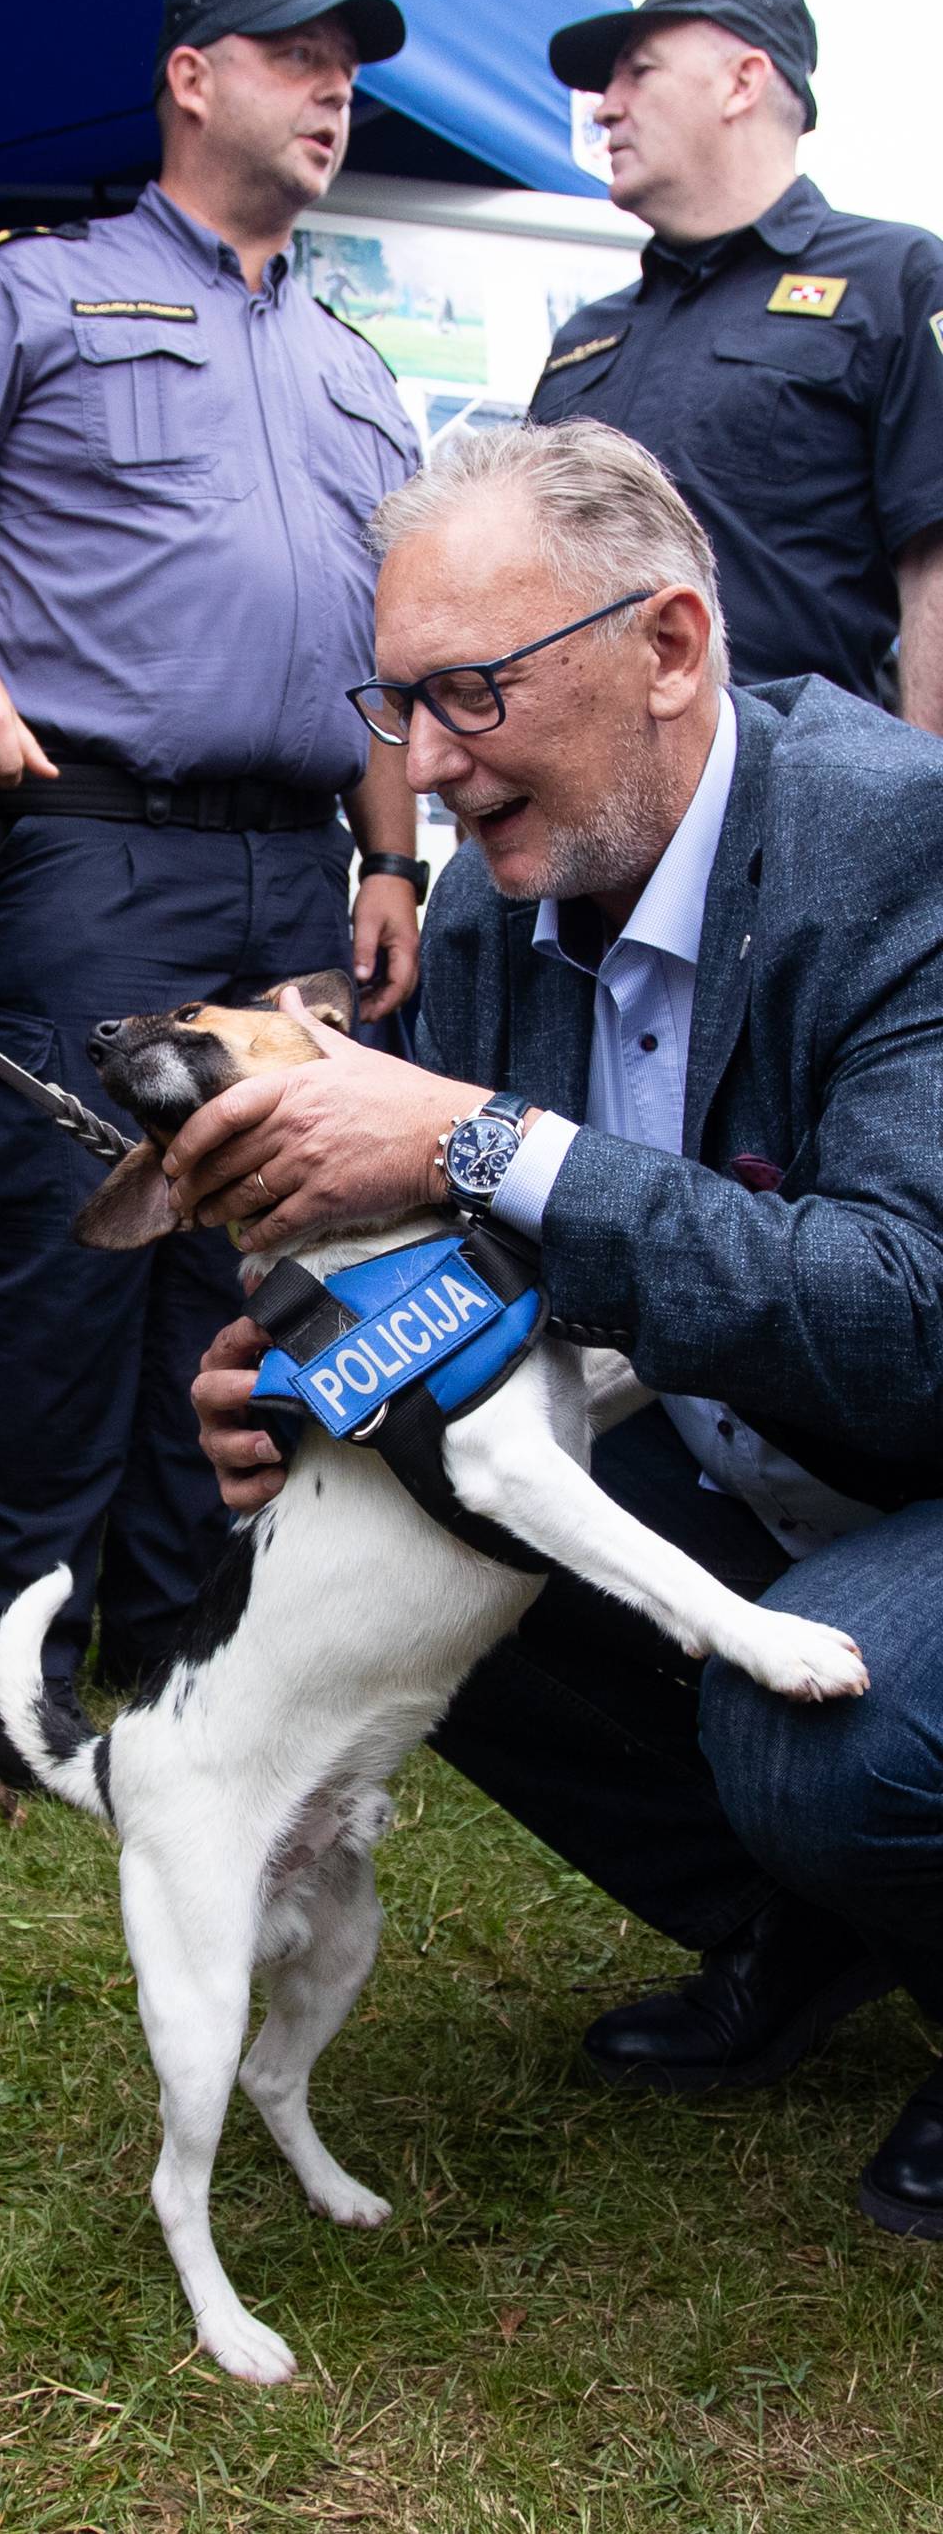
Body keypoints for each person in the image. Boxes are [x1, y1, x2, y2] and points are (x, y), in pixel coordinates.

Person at [177, 420, 943, 2240]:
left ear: (671, 646)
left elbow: (907, 1318)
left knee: (824, 1721)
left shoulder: (900, 843)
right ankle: (801, 1933)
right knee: (404, 1522)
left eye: (473, 693)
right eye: (399, 704)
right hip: (770, 1466)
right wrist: (322, 1373)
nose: (428, 765)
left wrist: (478, 1136)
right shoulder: (495, 906)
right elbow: (512, 1287)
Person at [0, 0, 428, 1775]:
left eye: (350, 67)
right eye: (297, 59)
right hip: (96, 847)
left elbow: (390, 653)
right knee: (73, 1259)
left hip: (289, 872)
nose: (334, 91)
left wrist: (392, 860)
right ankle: (14, 1675)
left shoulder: (353, 365)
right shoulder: (45, 290)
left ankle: (186, 1661)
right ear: (194, 75)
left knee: (246, 1264)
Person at [531, 0, 943, 729]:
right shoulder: (587, 336)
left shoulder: (896, 279)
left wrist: (921, 814)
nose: (605, 107)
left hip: (797, 804)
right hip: (590, 815)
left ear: (742, 81)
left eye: (638, 73)